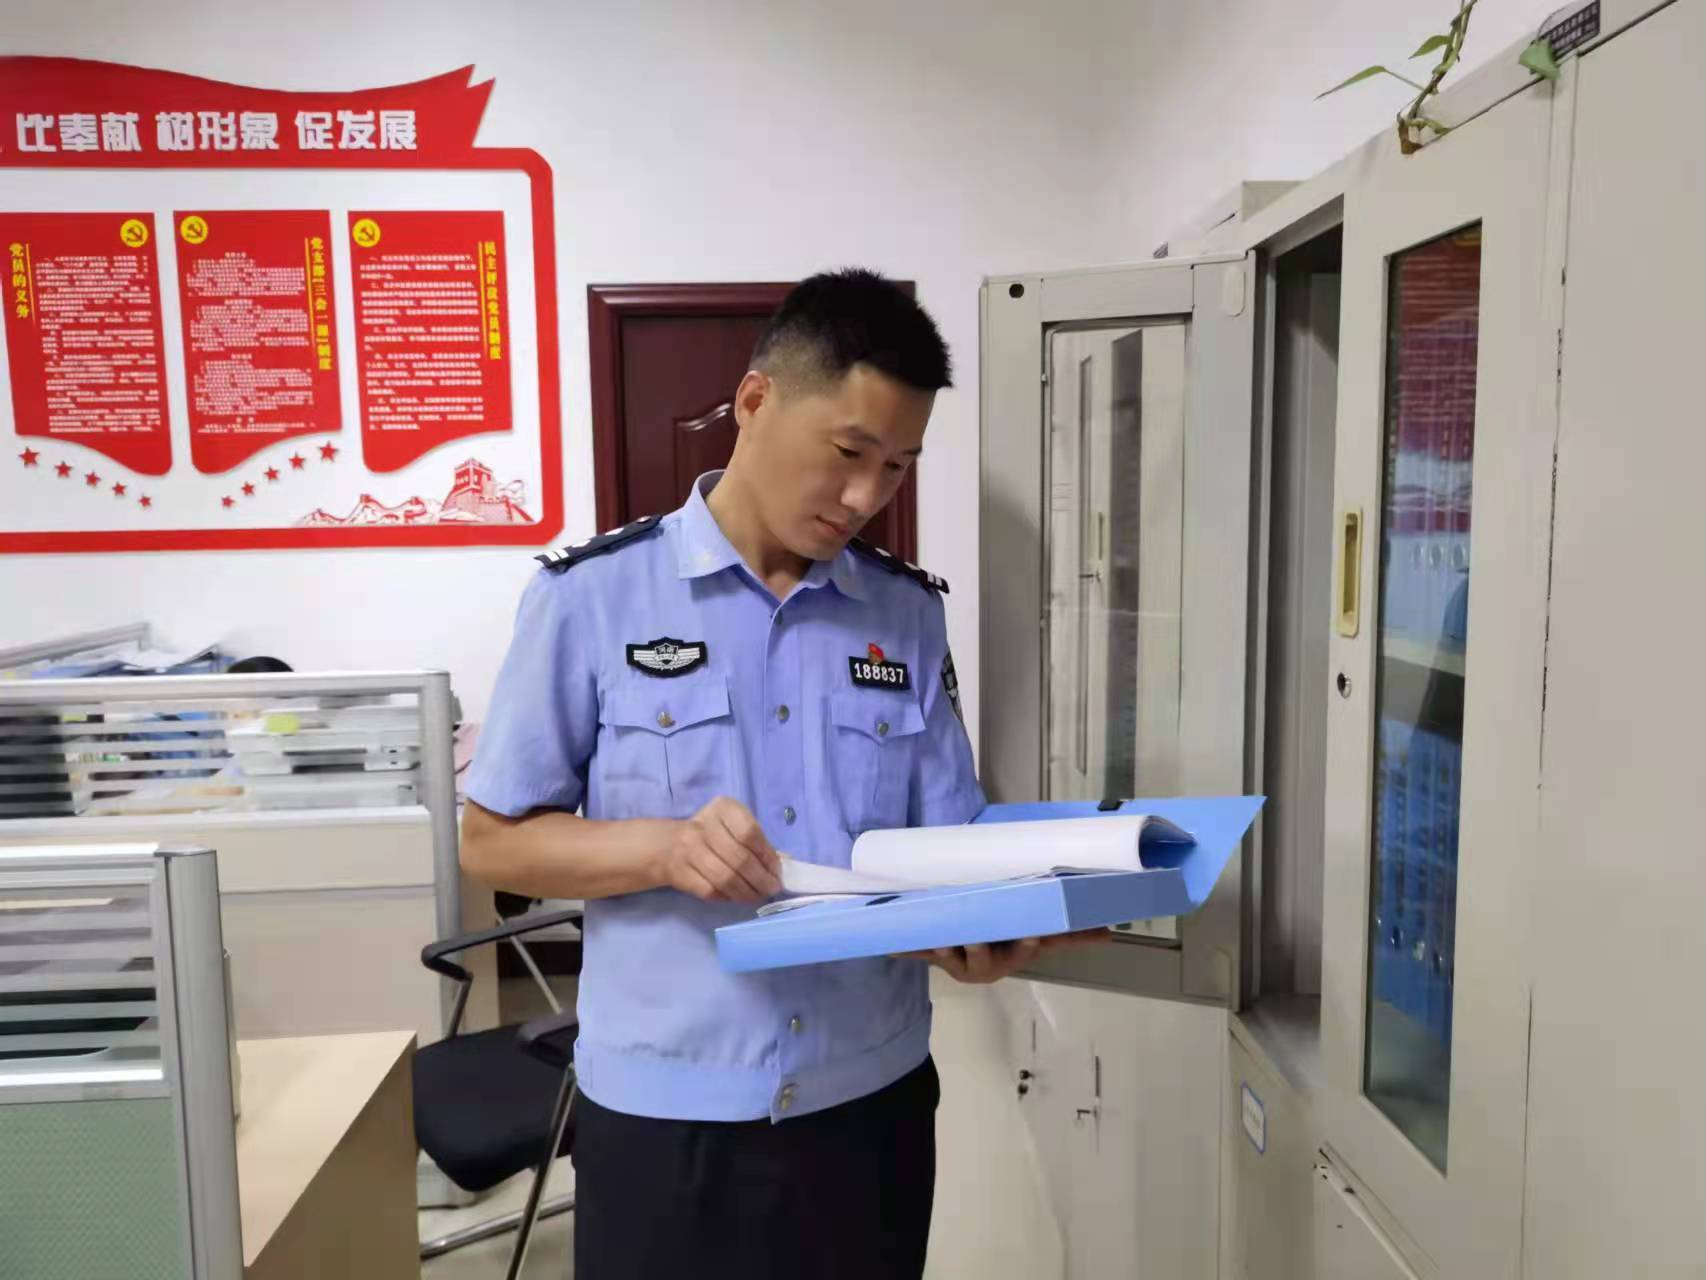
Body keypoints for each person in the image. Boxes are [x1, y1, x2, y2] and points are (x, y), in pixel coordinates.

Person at [461, 269, 1085, 1279]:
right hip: (669, 1112)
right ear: (754, 401)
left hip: (869, 1104)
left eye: (896, 468)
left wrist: (977, 929)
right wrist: (660, 848)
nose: (865, 497)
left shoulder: (905, 614)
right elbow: (492, 841)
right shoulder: (592, 599)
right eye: (847, 453)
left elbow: (945, 838)